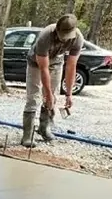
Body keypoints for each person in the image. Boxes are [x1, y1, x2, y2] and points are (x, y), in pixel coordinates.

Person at [22, 13, 84, 147]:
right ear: (57, 30)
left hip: (56, 63)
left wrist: (69, 94)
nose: (64, 39)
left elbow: (71, 66)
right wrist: (47, 93)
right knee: (33, 97)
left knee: (52, 98)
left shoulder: (78, 39)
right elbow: (43, 68)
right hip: (36, 63)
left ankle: (44, 128)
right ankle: (27, 135)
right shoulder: (45, 36)